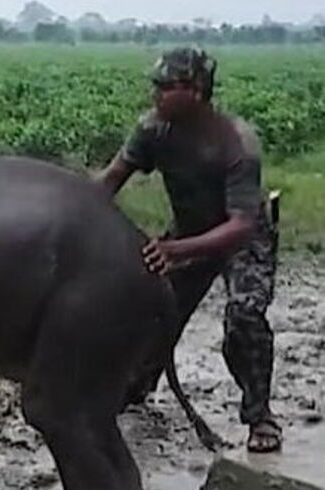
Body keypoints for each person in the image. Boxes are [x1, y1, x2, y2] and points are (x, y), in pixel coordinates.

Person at [95, 46, 281, 453]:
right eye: (155, 85)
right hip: (190, 229)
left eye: (166, 86)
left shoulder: (236, 143)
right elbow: (109, 181)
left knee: (244, 316)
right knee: (152, 308)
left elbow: (241, 224)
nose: (156, 94)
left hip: (242, 238)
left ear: (196, 90)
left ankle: (260, 416)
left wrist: (177, 251)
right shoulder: (152, 130)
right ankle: (136, 385)